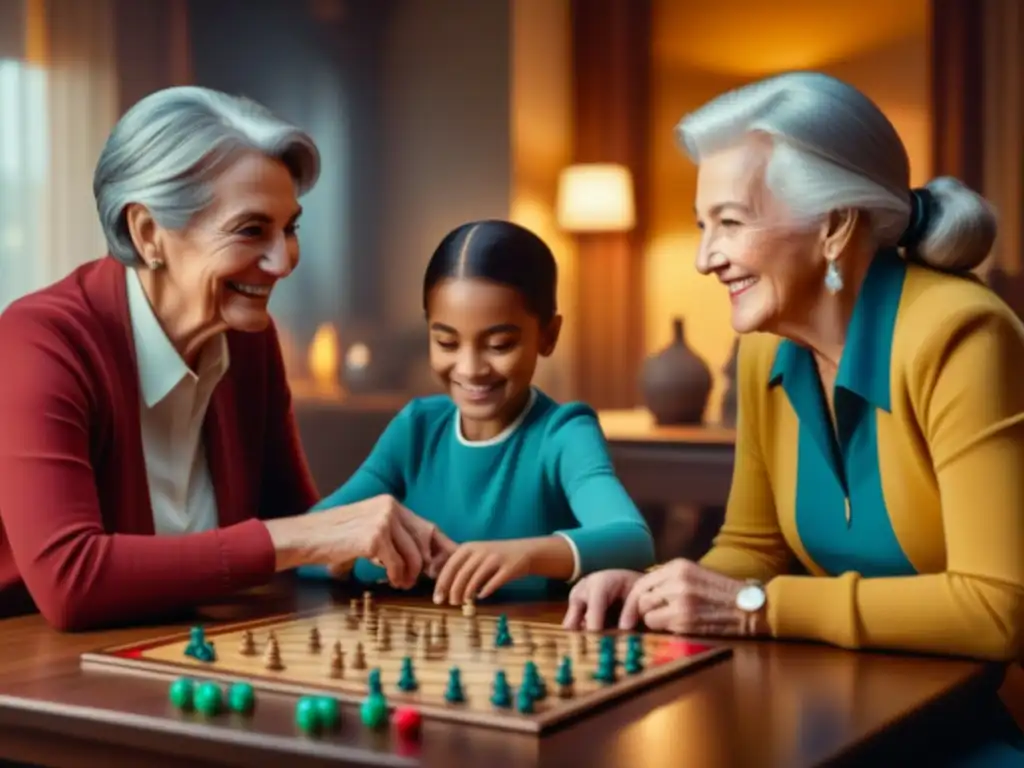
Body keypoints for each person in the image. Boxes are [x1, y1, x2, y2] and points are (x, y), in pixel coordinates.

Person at [562, 72, 1024, 761]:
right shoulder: (762, 355)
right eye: (701, 226)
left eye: (730, 222)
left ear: (834, 226)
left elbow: (998, 609)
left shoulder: (963, 335)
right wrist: (661, 592)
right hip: (821, 722)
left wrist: (761, 610)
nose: (704, 257)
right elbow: (753, 549)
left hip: (949, 736)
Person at [0, 86, 452, 632]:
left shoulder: (249, 339)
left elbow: (292, 530)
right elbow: (71, 582)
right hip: (33, 671)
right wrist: (316, 535)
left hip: (187, 652)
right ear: (148, 234)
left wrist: (388, 542)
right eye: (250, 230)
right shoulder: (39, 342)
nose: (283, 260)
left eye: (290, 228)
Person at [301, 219, 656, 602]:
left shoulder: (564, 433)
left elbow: (632, 539)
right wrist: (343, 555)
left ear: (548, 335)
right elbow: (302, 539)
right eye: (447, 342)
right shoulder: (417, 428)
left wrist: (524, 554)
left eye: (500, 344)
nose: (470, 369)